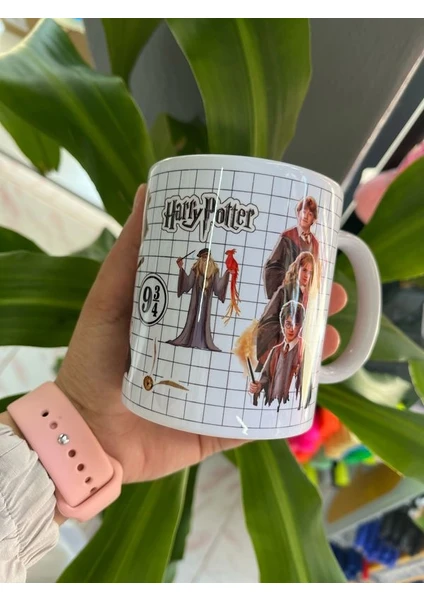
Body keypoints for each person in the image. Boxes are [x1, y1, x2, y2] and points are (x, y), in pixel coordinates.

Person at [0, 185, 346, 582]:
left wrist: (84, 424)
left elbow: (226, 289)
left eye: (310, 214)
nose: (306, 219)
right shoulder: (282, 244)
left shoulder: (310, 248)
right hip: (211, 320)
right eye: (304, 212)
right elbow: (256, 277)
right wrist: (83, 421)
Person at [256, 252, 315, 369]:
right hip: (277, 352)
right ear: (297, 269)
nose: (307, 275)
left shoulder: (309, 296)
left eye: (310, 272)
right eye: (304, 270)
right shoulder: (284, 291)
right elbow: (268, 320)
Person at [167, 248, 231, 351]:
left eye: (206, 256)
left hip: (206, 303)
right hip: (195, 302)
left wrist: (227, 273)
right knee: (194, 317)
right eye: (203, 257)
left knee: (204, 320)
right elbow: (188, 283)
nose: (205, 259)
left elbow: (217, 288)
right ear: (200, 258)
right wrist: (181, 268)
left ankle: (201, 342)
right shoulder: (196, 269)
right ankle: (193, 340)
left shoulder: (214, 270)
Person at [249, 301, 305, 412]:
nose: (291, 329)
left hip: (291, 409)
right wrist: (258, 386)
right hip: (271, 406)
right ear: (282, 324)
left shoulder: (304, 350)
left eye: (296, 324)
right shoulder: (276, 350)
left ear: (301, 326)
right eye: (288, 324)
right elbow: (265, 377)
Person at [263, 196, 319, 299]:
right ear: (298, 213)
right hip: (288, 294)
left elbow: (316, 273)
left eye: (310, 214)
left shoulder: (315, 244)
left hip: (304, 297)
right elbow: (272, 266)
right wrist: (286, 283)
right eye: (304, 212)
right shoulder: (287, 237)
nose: (305, 216)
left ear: (314, 219)